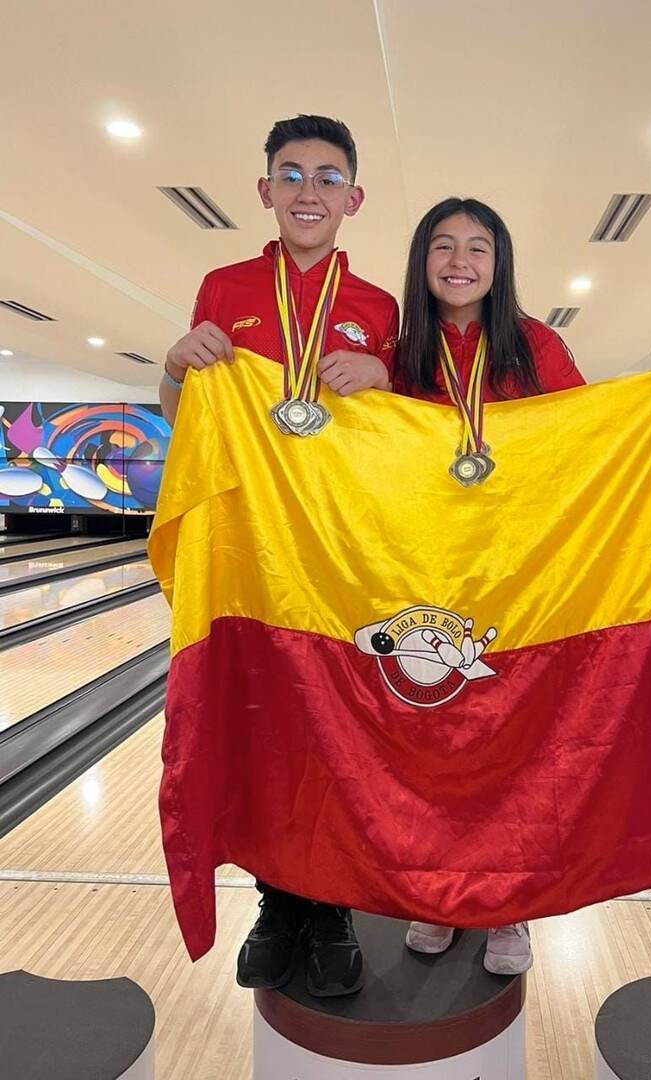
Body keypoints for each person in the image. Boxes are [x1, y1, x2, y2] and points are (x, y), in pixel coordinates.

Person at [394, 196, 651, 975]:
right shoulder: (400, 348)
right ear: (422, 260)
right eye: (443, 246)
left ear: (500, 263)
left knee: (512, 742)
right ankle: (433, 894)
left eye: (478, 247)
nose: (459, 261)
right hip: (423, 575)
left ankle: (510, 909)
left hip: (524, 578)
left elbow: (589, 429)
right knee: (431, 743)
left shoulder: (534, 343)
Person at [159, 115, 399, 997]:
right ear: (264, 190)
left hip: (340, 555)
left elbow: (402, 439)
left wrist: (383, 381)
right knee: (259, 726)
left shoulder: (377, 306)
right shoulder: (223, 284)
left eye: (328, 177)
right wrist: (178, 366)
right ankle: (278, 902)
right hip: (247, 554)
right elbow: (190, 412)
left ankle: (328, 904)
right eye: (291, 175)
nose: (309, 191)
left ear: (353, 197)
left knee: (334, 726)